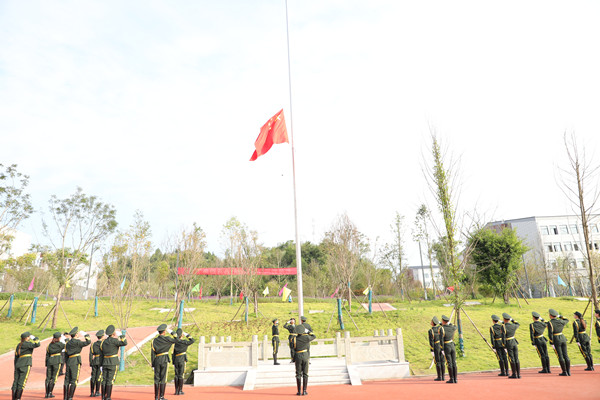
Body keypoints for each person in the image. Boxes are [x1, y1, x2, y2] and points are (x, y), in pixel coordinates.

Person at [151, 324, 179, 400]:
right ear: (164, 331)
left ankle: (156, 397)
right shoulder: (167, 339)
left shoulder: (154, 340)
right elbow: (177, 340)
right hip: (164, 359)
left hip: (157, 359)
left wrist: (153, 364)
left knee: (156, 378)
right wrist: (173, 333)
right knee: (163, 378)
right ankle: (161, 396)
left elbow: (152, 353)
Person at [100, 325, 127, 400]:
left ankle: (103, 396)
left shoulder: (103, 342)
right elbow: (125, 342)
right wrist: (121, 335)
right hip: (113, 362)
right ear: (113, 333)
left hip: (105, 362)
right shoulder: (115, 341)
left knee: (104, 379)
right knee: (110, 380)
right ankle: (108, 397)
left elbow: (101, 351)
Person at [64, 327, 91, 400]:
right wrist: (86, 335)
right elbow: (88, 342)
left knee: (66, 380)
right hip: (75, 361)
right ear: (76, 335)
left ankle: (65, 397)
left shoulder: (68, 343)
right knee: (74, 380)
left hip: (69, 361)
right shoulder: (78, 342)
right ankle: (70, 397)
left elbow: (66, 354)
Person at [12, 331, 41, 400]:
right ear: (27, 337)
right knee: (22, 382)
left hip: (18, 364)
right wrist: (34, 338)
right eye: (29, 336)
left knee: (16, 381)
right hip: (25, 363)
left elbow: (16, 357)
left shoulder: (18, 345)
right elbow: (38, 344)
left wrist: (16, 366)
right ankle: (18, 398)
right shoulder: (27, 344)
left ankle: (14, 398)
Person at [547, 308, 570, 376]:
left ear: (550, 315)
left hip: (556, 339)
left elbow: (550, 333)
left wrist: (551, 342)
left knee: (560, 356)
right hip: (562, 338)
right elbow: (566, 319)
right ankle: (568, 371)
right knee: (565, 355)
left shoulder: (550, 323)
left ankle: (564, 371)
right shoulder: (560, 321)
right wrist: (559, 315)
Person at [294, 324, 316, 396]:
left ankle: (299, 391)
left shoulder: (294, 339)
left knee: (298, 374)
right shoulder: (306, 337)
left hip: (297, 355)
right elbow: (314, 336)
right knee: (305, 374)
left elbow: (292, 347)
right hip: (305, 356)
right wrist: (308, 331)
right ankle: (304, 391)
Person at [171, 328, 194, 395]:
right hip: (182, 359)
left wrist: (173, 361)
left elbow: (173, 353)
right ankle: (180, 390)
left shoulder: (174, 343)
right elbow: (192, 340)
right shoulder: (184, 342)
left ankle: (176, 390)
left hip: (176, 359)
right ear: (182, 335)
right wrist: (187, 335)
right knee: (181, 375)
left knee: (176, 375)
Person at [45, 332, 65, 398]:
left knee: (48, 378)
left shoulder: (49, 345)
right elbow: (65, 346)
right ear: (59, 338)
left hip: (50, 361)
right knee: (54, 377)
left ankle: (46, 393)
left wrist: (46, 364)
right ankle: (50, 392)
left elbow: (47, 355)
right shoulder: (60, 344)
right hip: (56, 361)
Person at [501, 313, 520, 379]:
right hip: (514, 342)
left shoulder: (503, 326)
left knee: (511, 358)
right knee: (516, 358)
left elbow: (503, 337)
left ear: (504, 319)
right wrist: (512, 320)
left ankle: (514, 374)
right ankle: (519, 374)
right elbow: (518, 324)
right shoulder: (513, 325)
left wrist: (504, 346)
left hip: (508, 343)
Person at [439, 315, 457, 383]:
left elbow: (441, 340)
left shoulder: (442, 328)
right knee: (454, 362)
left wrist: (442, 349)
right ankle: (456, 379)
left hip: (446, 346)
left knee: (449, 363)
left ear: (443, 321)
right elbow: (455, 326)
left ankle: (451, 378)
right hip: (452, 345)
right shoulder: (452, 327)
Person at [428, 316, 445, 381]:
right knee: (442, 361)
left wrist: (432, 350)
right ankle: (443, 376)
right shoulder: (440, 328)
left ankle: (439, 376)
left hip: (436, 346)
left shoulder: (431, 331)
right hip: (442, 345)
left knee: (437, 361)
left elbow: (431, 341)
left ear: (433, 323)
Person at [89, 330, 105, 397]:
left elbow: (90, 354)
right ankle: (97, 391)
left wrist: (90, 362)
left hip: (94, 360)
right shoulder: (103, 344)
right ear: (102, 336)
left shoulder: (93, 344)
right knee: (98, 376)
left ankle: (92, 392)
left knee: (93, 376)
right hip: (100, 361)